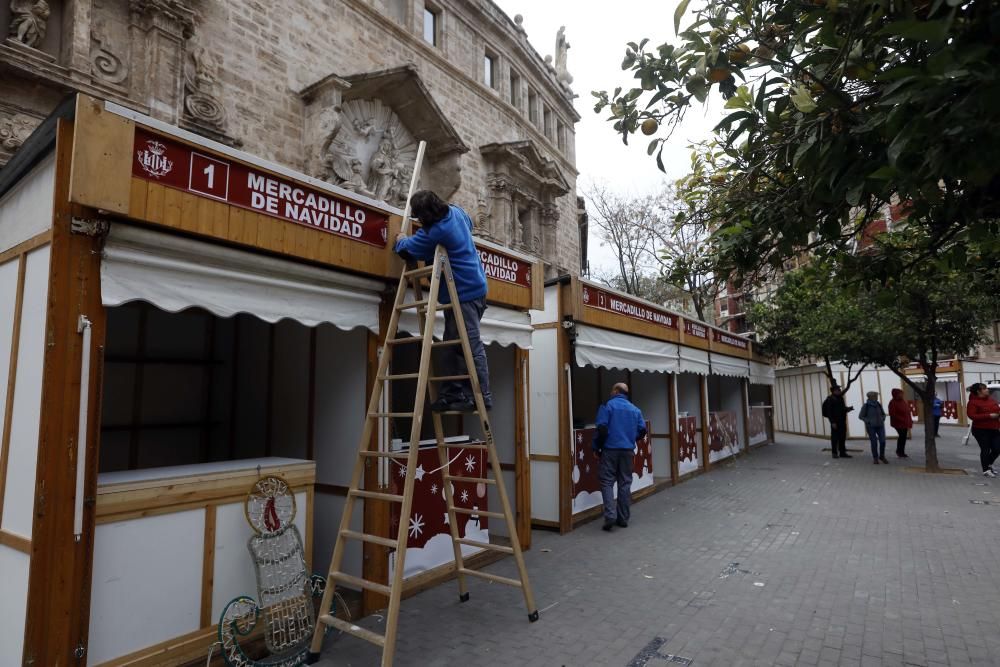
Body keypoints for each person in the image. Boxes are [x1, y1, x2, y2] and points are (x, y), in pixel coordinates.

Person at [394, 190, 491, 412]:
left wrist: (400, 240)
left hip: (465, 292)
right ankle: (454, 393)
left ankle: (481, 396)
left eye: (419, 217)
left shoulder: (437, 231)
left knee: (469, 345)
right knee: (452, 344)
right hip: (471, 289)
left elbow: (409, 248)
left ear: (426, 216)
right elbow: (469, 223)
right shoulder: (456, 212)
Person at [593, 383, 647, 531]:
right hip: (627, 450)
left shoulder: (607, 406)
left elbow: (602, 428)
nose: (610, 392)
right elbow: (643, 430)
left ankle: (610, 515)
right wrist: (631, 439)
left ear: (616, 391)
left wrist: (596, 447)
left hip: (610, 450)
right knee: (624, 483)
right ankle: (623, 518)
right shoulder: (635, 409)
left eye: (612, 389)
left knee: (607, 482)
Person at [965, 383, 1000, 477]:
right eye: (984, 389)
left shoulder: (991, 400)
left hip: (994, 428)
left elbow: (997, 409)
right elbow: (972, 416)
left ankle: (988, 464)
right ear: (978, 391)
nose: (987, 390)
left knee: (997, 448)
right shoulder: (973, 402)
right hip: (981, 430)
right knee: (985, 449)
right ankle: (986, 470)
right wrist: (989, 415)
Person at [821, 385, 853, 459]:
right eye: (838, 389)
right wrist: (832, 422)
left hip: (842, 421)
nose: (839, 390)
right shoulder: (830, 399)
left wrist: (848, 409)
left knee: (842, 437)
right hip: (835, 422)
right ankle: (834, 453)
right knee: (835, 438)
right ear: (833, 391)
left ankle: (842, 452)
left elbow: (842, 408)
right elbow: (829, 412)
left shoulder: (840, 398)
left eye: (839, 389)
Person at [859, 391, 888, 464]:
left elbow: (883, 413)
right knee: (874, 442)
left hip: (880, 425)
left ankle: (882, 456)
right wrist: (868, 421)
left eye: (876, 396)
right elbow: (861, 416)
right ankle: (875, 457)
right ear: (870, 397)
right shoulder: (866, 406)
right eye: (875, 396)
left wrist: (883, 418)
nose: (877, 397)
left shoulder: (878, 404)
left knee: (883, 441)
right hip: (871, 427)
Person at [887, 388, 913, 458]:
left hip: (904, 422)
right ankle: (899, 451)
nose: (902, 395)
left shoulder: (903, 401)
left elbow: (907, 411)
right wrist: (902, 419)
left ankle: (901, 452)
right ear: (896, 394)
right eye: (900, 394)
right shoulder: (892, 402)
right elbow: (892, 414)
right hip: (898, 423)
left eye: (902, 394)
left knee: (903, 437)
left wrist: (909, 420)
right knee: (902, 436)